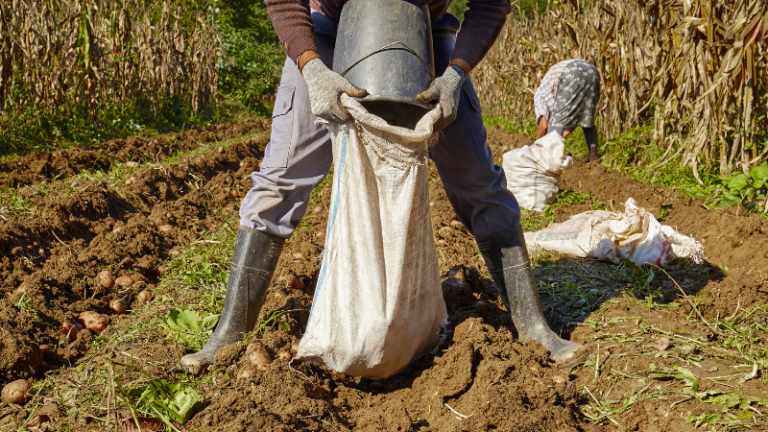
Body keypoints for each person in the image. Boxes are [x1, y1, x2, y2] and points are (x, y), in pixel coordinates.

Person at [180, 0, 583, 374]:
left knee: (477, 179)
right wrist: (312, 68)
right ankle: (230, 334)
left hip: (425, 32)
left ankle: (533, 327)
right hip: (327, 33)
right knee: (282, 177)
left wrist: (456, 74)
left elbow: (491, 3)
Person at [534, 59, 601, 162]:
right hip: (592, 72)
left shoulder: (539, 93)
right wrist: (560, 136)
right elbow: (575, 117)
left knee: (555, 121)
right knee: (586, 117)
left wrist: (537, 147)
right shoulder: (554, 85)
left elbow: (544, 125)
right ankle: (593, 159)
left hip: (571, 72)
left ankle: (553, 159)